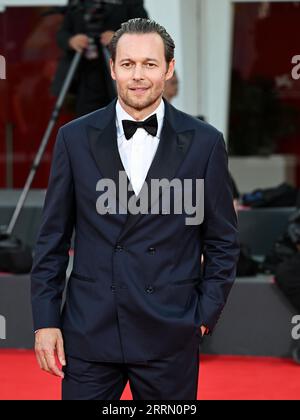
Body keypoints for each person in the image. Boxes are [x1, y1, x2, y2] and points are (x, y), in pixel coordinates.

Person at [31, 18, 240, 400]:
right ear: (112, 69)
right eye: (128, 64)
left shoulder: (205, 142)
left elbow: (223, 239)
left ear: (169, 68)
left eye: (149, 63)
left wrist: (203, 316)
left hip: (170, 332)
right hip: (90, 331)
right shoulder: (74, 138)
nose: (138, 75)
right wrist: (45, 322)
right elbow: (52, 239)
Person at [51, 0, 148, 116]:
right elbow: (62, 33)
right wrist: (71, 41)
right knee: (85, 121)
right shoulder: (76, 3)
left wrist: (121, 37)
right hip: (83, 74)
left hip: (119, 72)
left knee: (120, 116)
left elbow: (145, 30)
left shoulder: (130, 3)